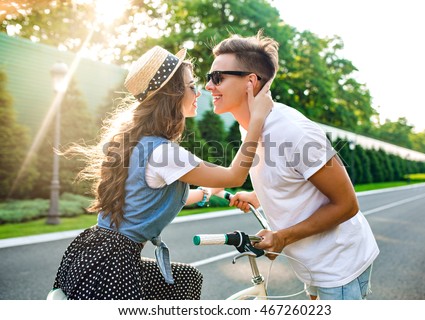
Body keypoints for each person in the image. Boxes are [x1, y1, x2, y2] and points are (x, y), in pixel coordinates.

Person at [51, 45, 273, 300]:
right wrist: (257, 119)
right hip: (112, 264)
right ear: (172, 94)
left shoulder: (140, 142)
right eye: (192, 86)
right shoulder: (164, 153)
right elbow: (234, 175)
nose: (199, 92)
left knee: (186, 279)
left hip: (93, 251)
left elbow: (149, 197)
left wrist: (207, 194)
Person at [205, 31, 380, 300]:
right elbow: (289, 178)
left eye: (218, 78)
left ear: (251, 82)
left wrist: (282, 237)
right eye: (208, 78)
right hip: (311, 265)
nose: (209, 86)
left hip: (339, 267)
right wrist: (257, 197)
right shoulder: (250, 127)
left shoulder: (294, 132)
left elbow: (346, 204)